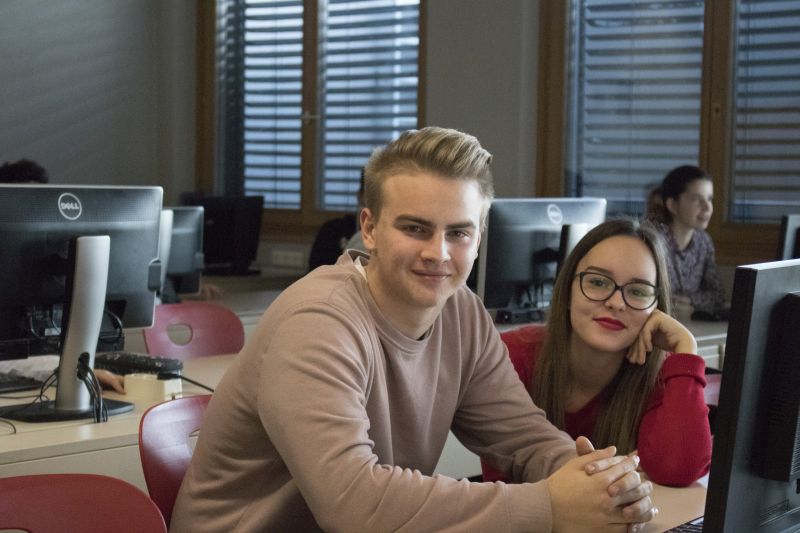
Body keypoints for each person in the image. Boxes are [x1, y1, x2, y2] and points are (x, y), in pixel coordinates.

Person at [171, 127, 655, 532]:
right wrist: (549, 506)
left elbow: (523, 436)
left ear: (478, 240)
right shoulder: (318, 323)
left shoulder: (462, 312)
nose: (438, 253)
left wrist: (600, 486)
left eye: (458, 232)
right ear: (369, 228)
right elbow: (353, 504)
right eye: (416, 228)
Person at [481, 219, 712, 488]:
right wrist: (618, 473)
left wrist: (686, 347)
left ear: (656, 307)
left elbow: (678, 470)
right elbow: (504, 480)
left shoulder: (661, 373)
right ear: (567, 291)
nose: (616, 303)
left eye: (638, 291)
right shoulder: (511, 355)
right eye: (598, 282)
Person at [647, 165, 727, 316]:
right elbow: (641, 292)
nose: (707, 207)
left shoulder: (704, 242)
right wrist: (670, 304)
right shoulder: (652, 241)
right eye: (696, 199)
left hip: (688, 322)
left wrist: (690, 301)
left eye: (709, 199)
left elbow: (718, 295)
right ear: (672, 205)